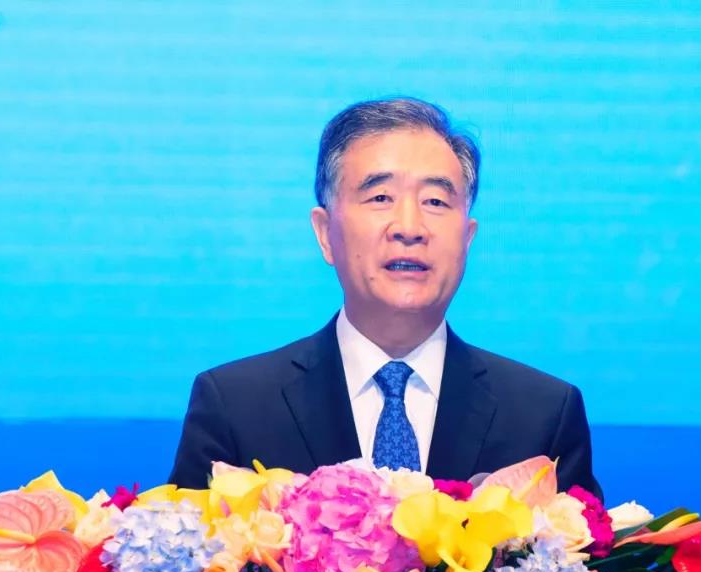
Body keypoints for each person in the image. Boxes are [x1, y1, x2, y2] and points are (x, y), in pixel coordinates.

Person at [169, 97, 601, 498]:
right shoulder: (236, 407)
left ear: (467, 238)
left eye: (435, 201)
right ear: (325, 233)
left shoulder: (543, 416)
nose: (409, 227)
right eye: (380, 197)